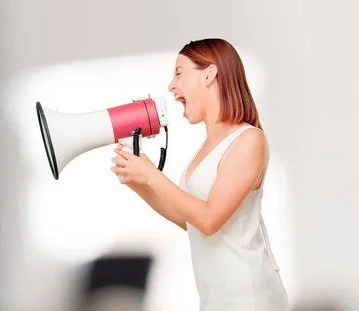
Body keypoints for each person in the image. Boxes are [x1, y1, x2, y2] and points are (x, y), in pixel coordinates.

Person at [111, 38, 289, 311]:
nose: (171, 86)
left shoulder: (249, 140)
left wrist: (152, 176)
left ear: (209, 73)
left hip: (248, 298)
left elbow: (208, 219)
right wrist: (139, 184)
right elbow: (191, 221)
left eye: (179, 73)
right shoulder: (205, 150)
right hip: (216, 299)